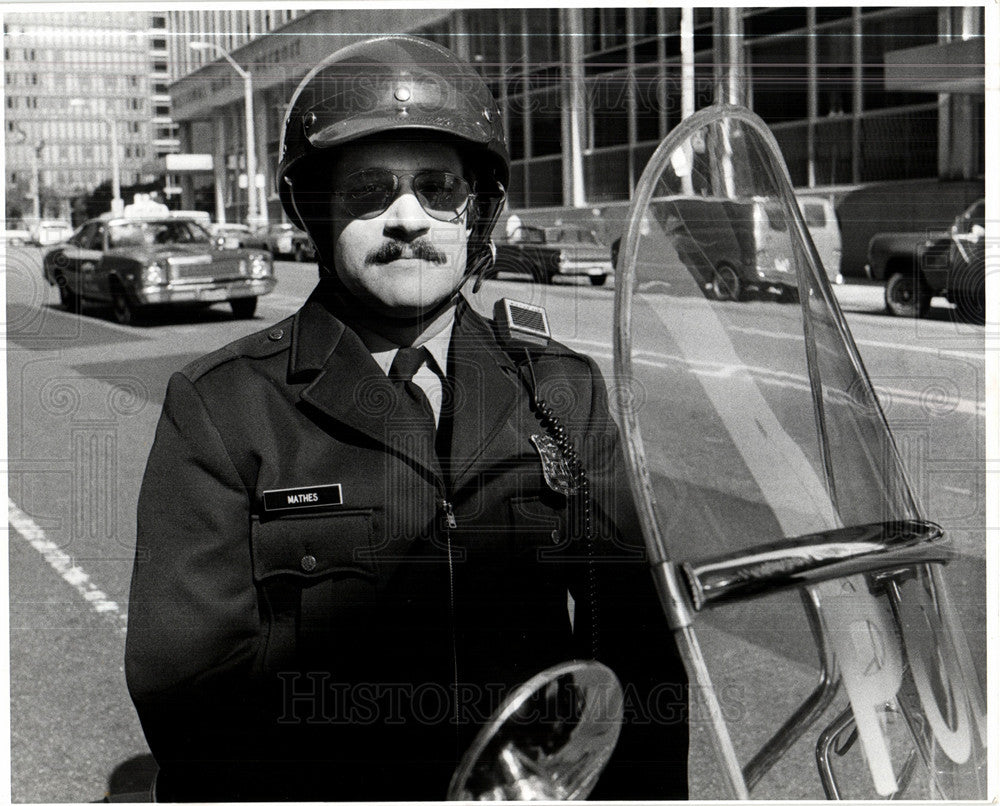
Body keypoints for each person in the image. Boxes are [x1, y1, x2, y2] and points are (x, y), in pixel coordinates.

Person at [125, 35, 688, 802]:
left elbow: (637, 651)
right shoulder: (226, 406)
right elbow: (193, 698)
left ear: (478, 213)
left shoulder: (562, 389)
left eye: (438, 188)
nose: (407, 218)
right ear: (318, 214)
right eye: (369, 191)